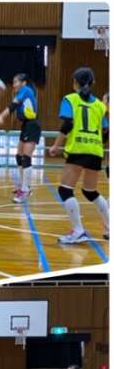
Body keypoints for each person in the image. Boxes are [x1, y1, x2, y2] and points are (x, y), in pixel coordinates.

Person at [49, 67, 109, 244]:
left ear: (75, 82)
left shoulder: (70, 99)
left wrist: (56, 145)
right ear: (93, 83)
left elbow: (68, 124)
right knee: (90, 192)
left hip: (78, 149)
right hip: (95, 150)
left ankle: (78, 231)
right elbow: (106, 131)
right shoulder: (100, 105)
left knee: (65, 189)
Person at [0, 73, 41, 203]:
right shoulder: (22, 92)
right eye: (13, 82)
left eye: (16, 82)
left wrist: (1, 116)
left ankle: (25, 191)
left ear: (24, 83)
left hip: (32, 125)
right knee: (19, 156)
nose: (13, 85)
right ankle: (23, 186)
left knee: (26, 158)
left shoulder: (26, 90)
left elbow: (13, 106)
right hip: (26, 125)